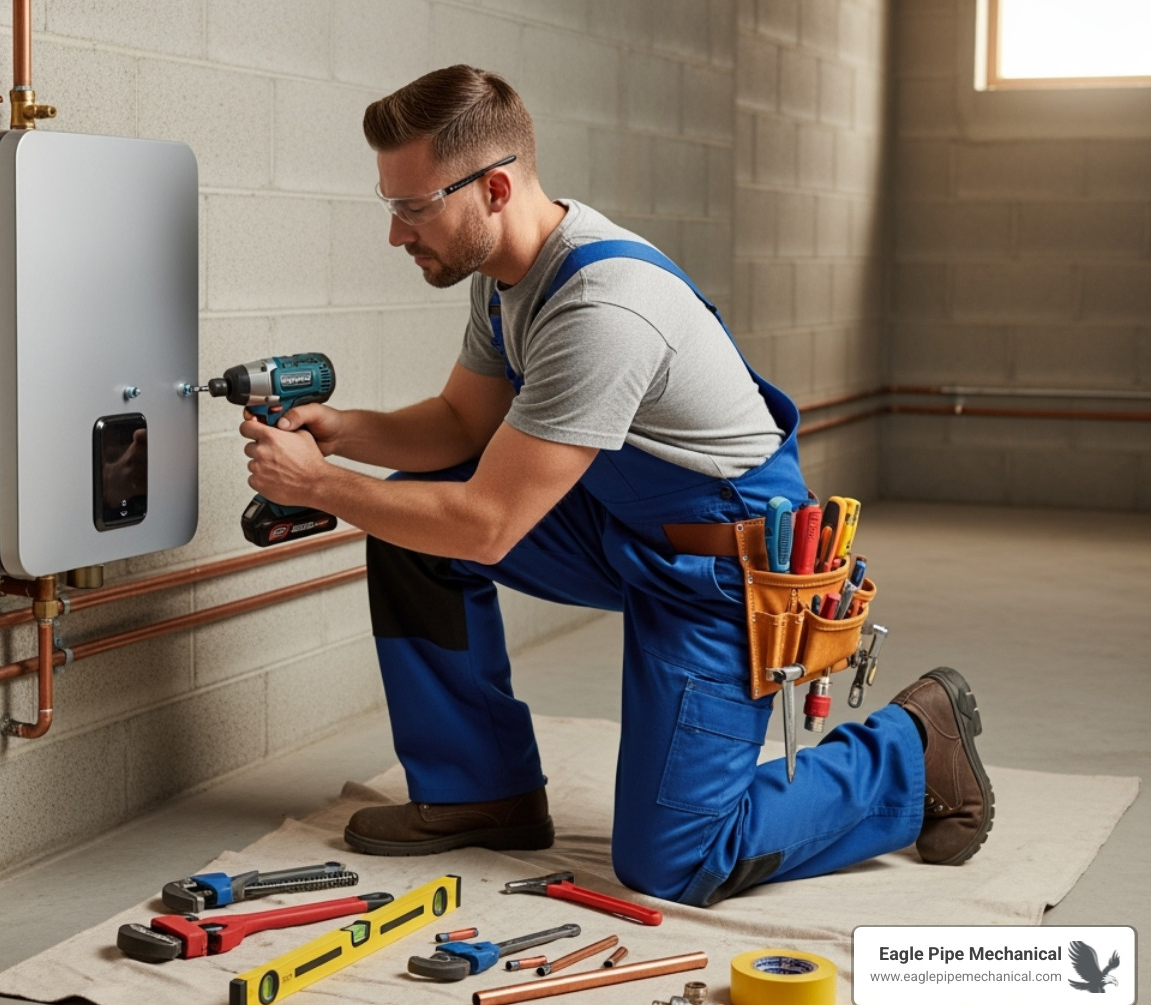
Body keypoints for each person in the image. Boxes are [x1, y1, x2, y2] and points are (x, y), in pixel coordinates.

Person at [238, 66, 993, 906]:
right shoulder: (508, 278)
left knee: (674, 862)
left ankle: (912, 748)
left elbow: (488, 524)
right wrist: (344, 432)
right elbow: (460, 424)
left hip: (725, 574)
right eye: (392, 206)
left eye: (413, 207)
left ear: (494, 188)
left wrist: (323, 487)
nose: (396, 233)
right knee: (413, 523)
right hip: (623, 529)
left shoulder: (602, 310)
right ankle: (479, 791)